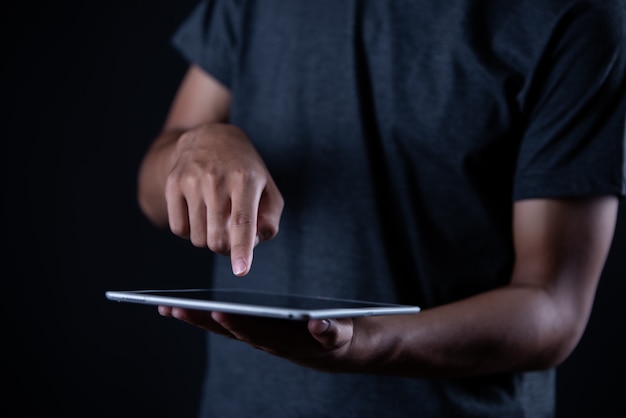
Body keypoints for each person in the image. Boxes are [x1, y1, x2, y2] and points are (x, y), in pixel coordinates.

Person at [137, 0, 626, 416]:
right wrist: (195, 146)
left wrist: (363, 344)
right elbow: (154, 191)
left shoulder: (573, 15)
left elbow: (552, 307)